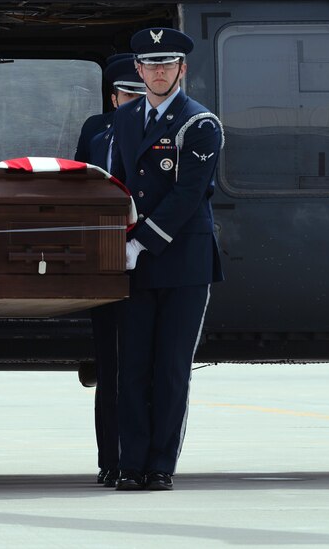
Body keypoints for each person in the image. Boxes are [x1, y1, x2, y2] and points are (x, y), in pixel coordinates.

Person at [109, 27, 224, 492]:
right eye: (150, 64)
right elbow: (116, 183)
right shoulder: (125, 118)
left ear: (182, 69)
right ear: (138, 70)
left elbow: (187, 195)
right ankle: (130, 463)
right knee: (132, 366)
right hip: (133, 261)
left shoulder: (200, 124)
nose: (158, 71)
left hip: (180, 262)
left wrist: (139, 243)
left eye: (167, 64)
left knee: (171, 367)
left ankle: (159, 465)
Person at [74, 53, 145, 488]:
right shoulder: (95, 130)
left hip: (144, 255)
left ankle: (137, 456)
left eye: (140, 94)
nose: (131, 101)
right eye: (126, 94)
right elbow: (82, 179)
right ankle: (110, 458)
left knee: (139, 364)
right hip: (103, 259)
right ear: (113, 95)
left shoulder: (158, 130)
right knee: (110, 364)